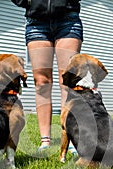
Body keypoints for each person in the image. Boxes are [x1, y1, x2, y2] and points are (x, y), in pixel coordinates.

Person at [11, 0, 83, 152]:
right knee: (42, 82)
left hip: (68, 19)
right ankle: (45, 141)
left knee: (67, 81)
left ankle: (70, 139)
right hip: (36, 22)